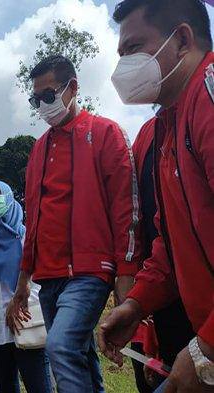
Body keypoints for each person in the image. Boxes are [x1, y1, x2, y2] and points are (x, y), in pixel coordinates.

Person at [5, 54, 140, 392]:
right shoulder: (38, 151)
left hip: (89, 272)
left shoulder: (106, 133)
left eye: (49, 95)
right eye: (37, 99)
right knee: (80, 354)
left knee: (61, 347)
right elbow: (32, 222)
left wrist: (126, 276)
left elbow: (127, 211)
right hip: (48, 278)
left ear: (73, 88)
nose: (43, 105)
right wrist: (24, 282)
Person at [99, 1, 214, 392]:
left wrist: (207, 349)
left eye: (133, 49)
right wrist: (136, 304)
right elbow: (172, 243)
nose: (123, 67)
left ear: (181, 39)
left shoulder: (208, 97)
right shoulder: (167, 129)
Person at [128, 116, 195, 392]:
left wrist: (206, 346)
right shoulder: (151, 133)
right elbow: (166, 232)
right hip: (166, 306)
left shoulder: (203, 107)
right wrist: (137, 302)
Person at [0, 179, 52, 393]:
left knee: (40, 388)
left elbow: (42, 283)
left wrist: (19, 306)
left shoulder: (28, 238)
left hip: (28, 326)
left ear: (8, 197)